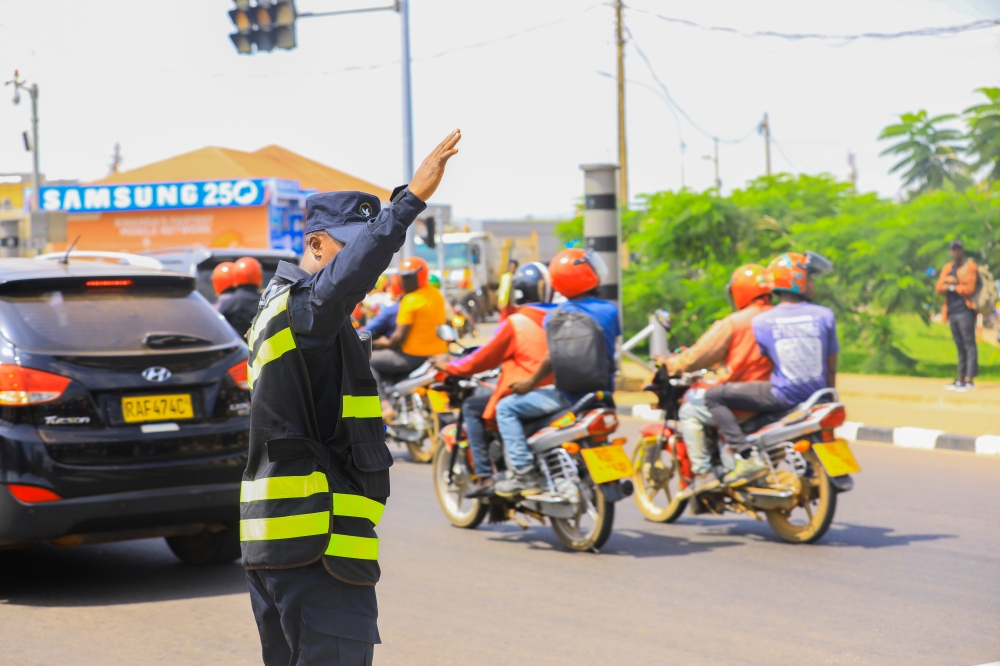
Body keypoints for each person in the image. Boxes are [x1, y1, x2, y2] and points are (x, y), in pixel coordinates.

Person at [241, 129, 460, 666]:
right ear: (316, 245)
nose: (365, 264)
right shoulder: (304, 310)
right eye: (349, 246)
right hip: (317, 543)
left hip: (284, 544)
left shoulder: (285, 309)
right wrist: (407, 205)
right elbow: (341, 282)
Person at [703, 252, 838, 487]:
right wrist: (828, 394)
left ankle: (745, 456)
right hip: (819, 396)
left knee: (713, 396)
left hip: (783, 395)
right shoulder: (825, 315)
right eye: (810, 278)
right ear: (798, 280)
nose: (813, 285)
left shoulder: (762, 322)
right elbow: (831, 363)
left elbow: (768, 359)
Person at [495, 248, 621, 497]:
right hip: (603, 394)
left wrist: (529, 383)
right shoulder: (610, 311)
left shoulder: (553, 317)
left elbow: (552, 358)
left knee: (505, 408)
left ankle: (523, 472)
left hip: (568, 396)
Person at [655, 264, 774, 496]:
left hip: (742, 400)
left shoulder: (735, 322)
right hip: (776, 396)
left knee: (690, 410)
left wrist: (672, 364)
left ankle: (703, 473)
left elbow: (698, 356)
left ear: (738, 291)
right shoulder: (780, 317)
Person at [440, 262, 553, 496]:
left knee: (472, 407)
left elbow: (483, 359)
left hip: (528, 390)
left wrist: (451, 367)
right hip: (560, 390)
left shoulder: (517, 323)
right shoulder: (559, 316)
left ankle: (484, 477)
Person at [370, 256, 448, 418]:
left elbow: (397, 339)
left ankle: (384, 406)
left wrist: (378, 343)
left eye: (408, 277)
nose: (405, 281)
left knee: (368, 360)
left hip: (413, 356)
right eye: (403, 277)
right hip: (437, 355)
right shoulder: (436, 295)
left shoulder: (410, 301)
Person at [935, 239, 979, 391]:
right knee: (960, 345)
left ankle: (970, 380)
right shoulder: (948, 267)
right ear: (950, 252)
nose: (956, 252)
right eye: (954, 249)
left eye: (958, 249)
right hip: (952, 311)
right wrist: (949, 281)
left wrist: (952, 285)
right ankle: (960, 379)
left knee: (969, 345)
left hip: (966, 311)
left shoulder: (970, 266)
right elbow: (939, 288)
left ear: (962, 250)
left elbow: (970, 288)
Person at [218, 256, 264, 337]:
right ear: (259, 275)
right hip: (260, 348)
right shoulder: (266, 302)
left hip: (236, 349)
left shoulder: (228, 303)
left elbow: (218, 331)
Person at [361, 275, 403, 341]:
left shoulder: (383, 297)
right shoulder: (384, 297)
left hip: (378, 328)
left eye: (376, 286)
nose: (374, 289)